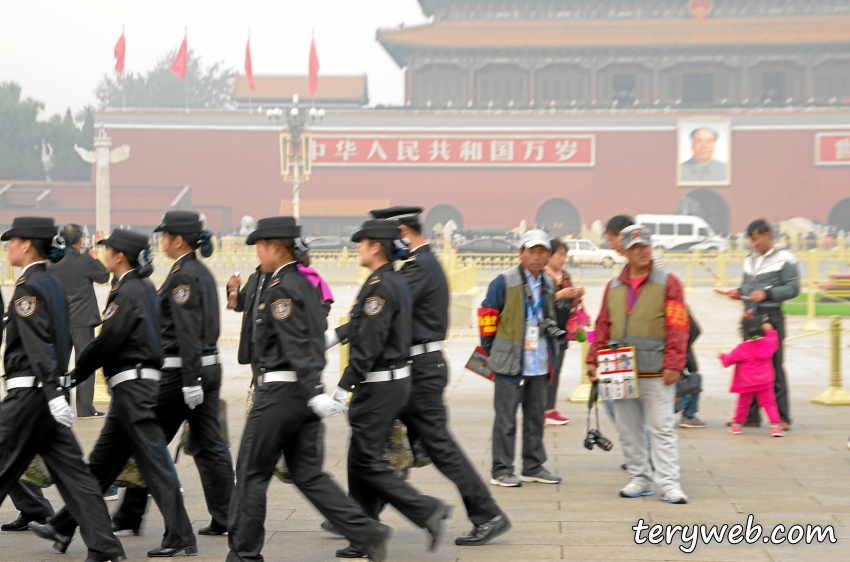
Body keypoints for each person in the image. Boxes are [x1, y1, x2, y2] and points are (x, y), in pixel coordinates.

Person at [226, 216, 391, 562]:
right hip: (301, 397)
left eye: (259, 245)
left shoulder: (281, 288)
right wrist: (313, 388)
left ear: (275, 247)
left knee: (252, 473)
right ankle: (367, 531)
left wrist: (311, 386)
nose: (257, 252)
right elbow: (312, 340)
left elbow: (294, 343)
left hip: (280, 396)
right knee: (307, 473)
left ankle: (244, 555)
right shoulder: (304, 284)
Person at [29, 229, 197, 557]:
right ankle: (63, 528)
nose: (103, 254)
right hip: (130, 390)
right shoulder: (140, 287)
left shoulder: (128, 291)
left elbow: (108, 341)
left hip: (134, 390)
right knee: (100, 466)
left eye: (107, 250)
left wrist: (74, 375)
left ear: (119, 256)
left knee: (155, 465)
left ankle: (181, 536)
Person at [362, 206, 511, 546]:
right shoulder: (421, 264)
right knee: (377, 441)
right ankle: (358, 515)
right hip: (417, 368)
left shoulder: (418, 268)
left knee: (432, 446)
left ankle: (488, 514)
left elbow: (385, 307)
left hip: (419, 371)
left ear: (400, 232)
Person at [0, 216, 126, 562]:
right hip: (48, 398)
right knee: (78, 480)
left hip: (29, 397)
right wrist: (56, 395)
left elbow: (38, 344)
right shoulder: (50, 282)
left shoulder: (29, 286)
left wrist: (52, 394)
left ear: (26, 244)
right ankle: (106, 548)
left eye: (11, 241)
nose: (7, 246)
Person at [330, 219, 452, 557]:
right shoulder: (392, 280)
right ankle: (364, 532)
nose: (358, 249)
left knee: (368, 461)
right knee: (359, 458)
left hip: (379, 387)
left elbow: (369, 342)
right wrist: (331, 338)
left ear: (375, 247)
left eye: (362, 243)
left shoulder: (381, 285)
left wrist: (344, 386)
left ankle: (427, 510)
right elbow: (361, 324)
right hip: (393, 381)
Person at [112, 211, 235, 537]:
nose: (160, 240)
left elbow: (187, 331)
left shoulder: (182, 276)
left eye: (164, 235)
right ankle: (227, 516)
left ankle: (130, 515)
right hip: (209, 367)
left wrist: (190, 380)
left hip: (183, 373)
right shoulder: (201, 271)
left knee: (147, 441)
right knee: (210, 446)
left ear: (177, 239)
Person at [587, 225, 690, 504]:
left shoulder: (669, 282)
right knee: (628, 429)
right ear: (626, 252)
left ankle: (669, 483)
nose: (643, 251)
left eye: (646, 245)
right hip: (618, 369)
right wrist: (593, 358)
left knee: (662, 428)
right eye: (636, 247)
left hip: (657, 369)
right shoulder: (614, 286)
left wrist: (674, 362)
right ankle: (639, 479)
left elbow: (678, 325)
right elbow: (602, 326)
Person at [480, 229, 562, 488]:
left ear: (547, 255)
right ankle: (502, 469)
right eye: (531, 251)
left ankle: (533, 465)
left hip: (538, 359)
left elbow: (547, 317)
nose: (536, 257)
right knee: (505, 418)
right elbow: (488, 316)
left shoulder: (548, 283)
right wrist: (491, 350)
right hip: (510, 360)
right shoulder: (503, 282)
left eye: (542, 252)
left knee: (536, 415)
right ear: (521, 253)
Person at [726, 219, 798, 430]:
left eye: (756, 239)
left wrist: (768, 293)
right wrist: (739, 293)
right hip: (751, 316)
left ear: (767, 235)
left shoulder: (784, 257)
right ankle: (750, 415)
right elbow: (747, 286)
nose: (754, 244)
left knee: (773, 366)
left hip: (771, 317)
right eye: (751, 240)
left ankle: (782, 417)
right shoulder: (750, 260)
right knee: (748, 366)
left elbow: (794, 287)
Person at [48, 224, 110, 419]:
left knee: (61, 366)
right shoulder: (85, 260)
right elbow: (103, 276)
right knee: (85, 365)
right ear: (80, 241)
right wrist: (94, 258)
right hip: (83, 320)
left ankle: (63, 404)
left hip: (60, 321)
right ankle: (85, 408)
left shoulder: (52, 263)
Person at [719, 312, 785, 437]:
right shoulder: (768, 343)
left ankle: (737, 425)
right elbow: (774, 338)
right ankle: (775, 426)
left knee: (743, 404)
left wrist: (721, 355)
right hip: (765, 381)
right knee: (770, 404)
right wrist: (769, 329)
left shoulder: (742, 348)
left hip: (746, 382)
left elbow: (728, 361)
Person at [543, 238, 585, 426]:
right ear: (549, 255)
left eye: (564, 255)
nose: (562, 259)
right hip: (545, 333)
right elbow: (539, 302)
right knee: (545, 371)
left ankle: (549, 408)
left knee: (557, 370)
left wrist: (576, 296)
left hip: (562, 331)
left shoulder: (565, 276)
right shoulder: (543, 276)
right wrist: (561, 294)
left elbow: (571, 305)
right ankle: (543, 409)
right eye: (559, 255)